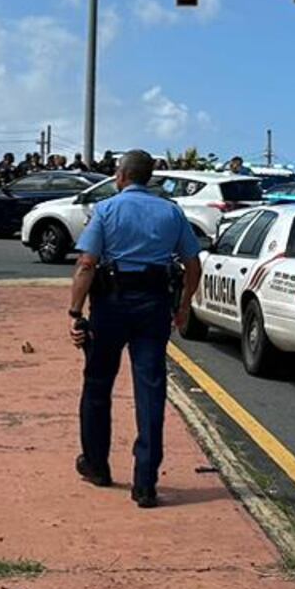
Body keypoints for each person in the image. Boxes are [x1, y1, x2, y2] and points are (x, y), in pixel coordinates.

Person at [68, 149, 202, 507]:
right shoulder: (171, 211)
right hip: (154, 305)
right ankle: (145, 483)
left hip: (111, 305)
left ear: (122, 175)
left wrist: (74, 311)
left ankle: (97, 464)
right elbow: (193, 264)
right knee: (150, 389)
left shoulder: (107, 210)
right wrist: (184, 306)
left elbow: (86, 263)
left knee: (97, 384)